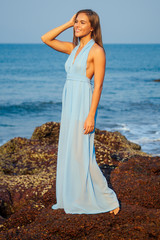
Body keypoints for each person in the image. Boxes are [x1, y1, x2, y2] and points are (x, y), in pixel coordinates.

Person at [41, 9, 120, 215]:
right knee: (70, 151)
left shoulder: (97, 51)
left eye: (82, 22)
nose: (77, 26)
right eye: (76, 22)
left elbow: (99, 85)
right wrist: (67, 23)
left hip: (83, 102)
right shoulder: (72, 49)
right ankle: (73, 197)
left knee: (83, 153)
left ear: (92, 27)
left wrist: (91, 115)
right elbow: (45, 38)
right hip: (69, 103)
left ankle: (107, 199)